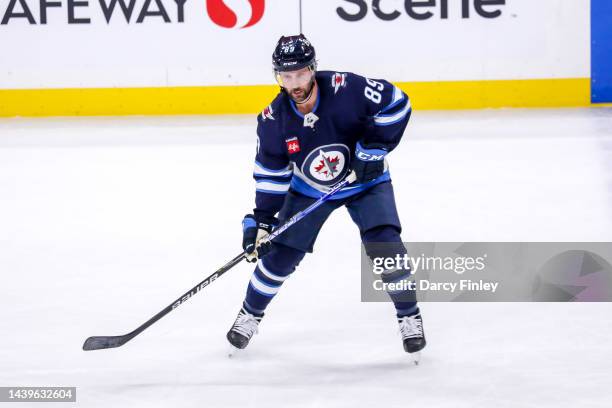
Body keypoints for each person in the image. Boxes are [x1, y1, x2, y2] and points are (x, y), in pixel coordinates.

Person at [226, 34, 426, 355]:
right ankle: (250, 314)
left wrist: (373, 150)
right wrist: (262, 221)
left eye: (301, 73)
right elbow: (271, 174)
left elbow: (398, 103)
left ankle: (409, 315)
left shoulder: (347, 88)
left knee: (385, 246)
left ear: (313, 68)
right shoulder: (273, 120)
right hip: (310, 189)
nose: (294, 83)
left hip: (366, 181)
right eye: (285, 76)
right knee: (280, 257)